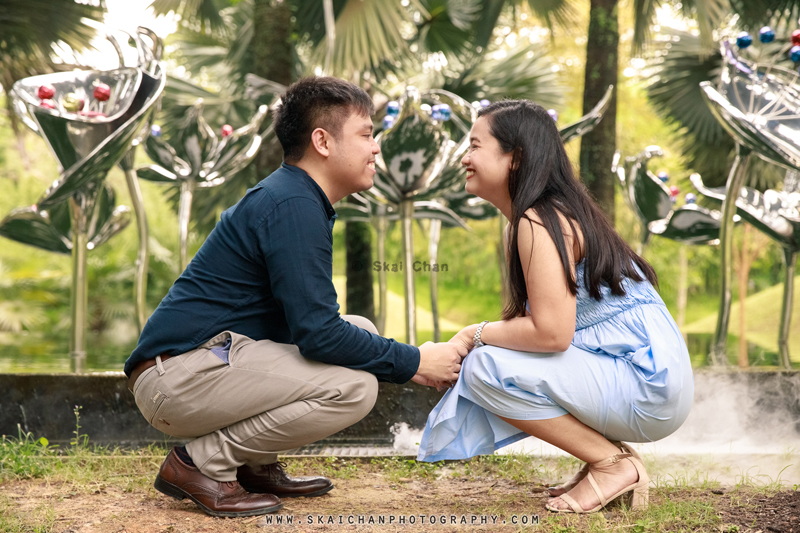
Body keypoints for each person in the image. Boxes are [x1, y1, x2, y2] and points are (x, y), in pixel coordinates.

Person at [124, 76, 467, 518]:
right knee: (355, 387)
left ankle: (254, 464)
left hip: (196, 367)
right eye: (366, 134)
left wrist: (405, 360)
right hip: (177, 380)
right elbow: (319, 334)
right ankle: (200, 464)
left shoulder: (296, 197)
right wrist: (416, 362)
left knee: (361, 330)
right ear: (322, 141)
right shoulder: (292, 204)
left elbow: (312, 326)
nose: (376, 147)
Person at [416, 100, 694, 514]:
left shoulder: (539, 220)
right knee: (494, 358)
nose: (464, 157)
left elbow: (550, 334)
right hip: (651, 382)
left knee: (485, 366)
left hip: (647, 387)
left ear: (517, 157)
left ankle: (612, 465)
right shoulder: (543, 216)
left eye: (475, 145)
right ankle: (605, 458)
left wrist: (469, 335)